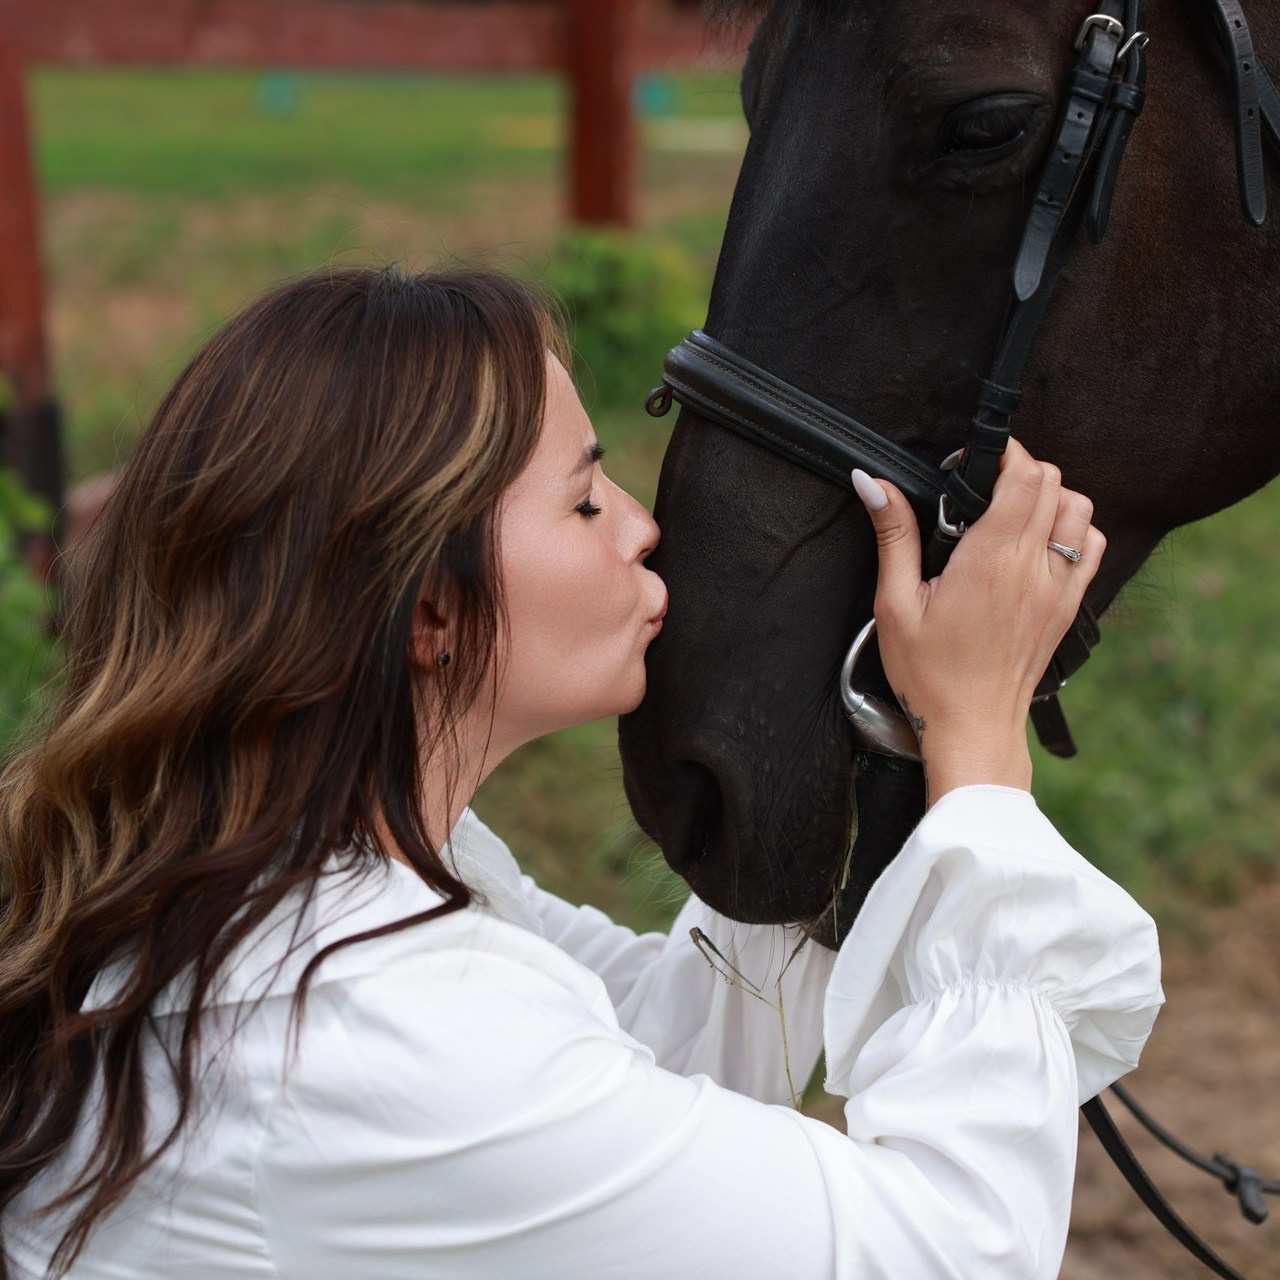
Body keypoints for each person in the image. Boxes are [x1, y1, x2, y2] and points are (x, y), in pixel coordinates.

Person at [0, 265, 1160, 1279]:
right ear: (431, 607)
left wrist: (852, 728)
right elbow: (945, 1253)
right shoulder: (380, 1031)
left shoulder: (286, 868)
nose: (641, 524)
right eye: (583, 496)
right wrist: (978, 745)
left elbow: (651, 1058)